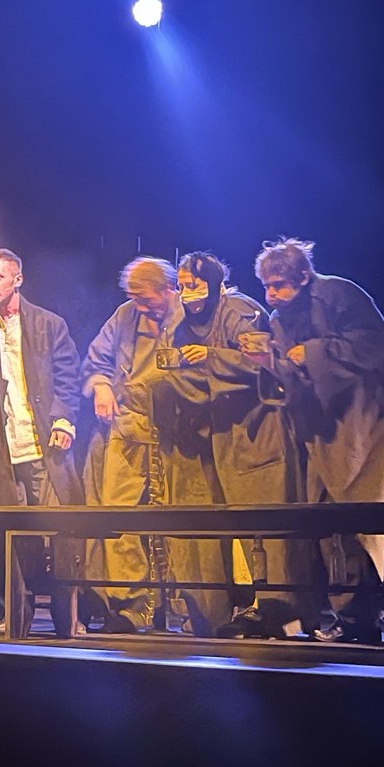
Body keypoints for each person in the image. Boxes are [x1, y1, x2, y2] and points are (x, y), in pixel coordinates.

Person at [252, 237, 384, 644]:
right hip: (332, 435)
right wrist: (267, 362)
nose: (271, 295)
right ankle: (354, 617)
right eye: (267, 287)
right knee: (337, 524)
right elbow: (293, 382)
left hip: (381, 422)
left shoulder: (339, 294)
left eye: (279, 285)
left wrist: (311, 352)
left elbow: (372, 345)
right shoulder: (278, 319)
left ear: (303, 277)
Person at [151, 251, 318, 638]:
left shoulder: (240, 310)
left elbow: (261, 360)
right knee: (230, 527)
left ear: (214, 283)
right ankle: (228, 612)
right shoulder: (181, 319)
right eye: (182, 286)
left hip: (258, 432)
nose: (188, 293)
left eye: (195, 285)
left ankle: (286, 613)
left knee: (272, 530)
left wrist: (211, 356)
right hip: (218, 436)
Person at [0, 247, 85, 638]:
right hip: (2, 454)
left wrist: (63, 419)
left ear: (18, 279)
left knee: (61, 532)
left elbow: (68, 376)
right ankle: (18, 623)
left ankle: (66, 621)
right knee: (12, 538)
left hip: (46, 449)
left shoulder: (49, 324)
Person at [80, 257, 178, 634]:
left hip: (178, 432)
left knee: (182, 521)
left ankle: (188, 606)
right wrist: (102, 386)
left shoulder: (187, 315)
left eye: (145, 299)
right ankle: (128, 607)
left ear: (168, 291)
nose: (140, 306)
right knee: (119, 514)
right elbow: (96, 360)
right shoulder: (125, 316)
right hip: (129, 425)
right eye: (134, 298)